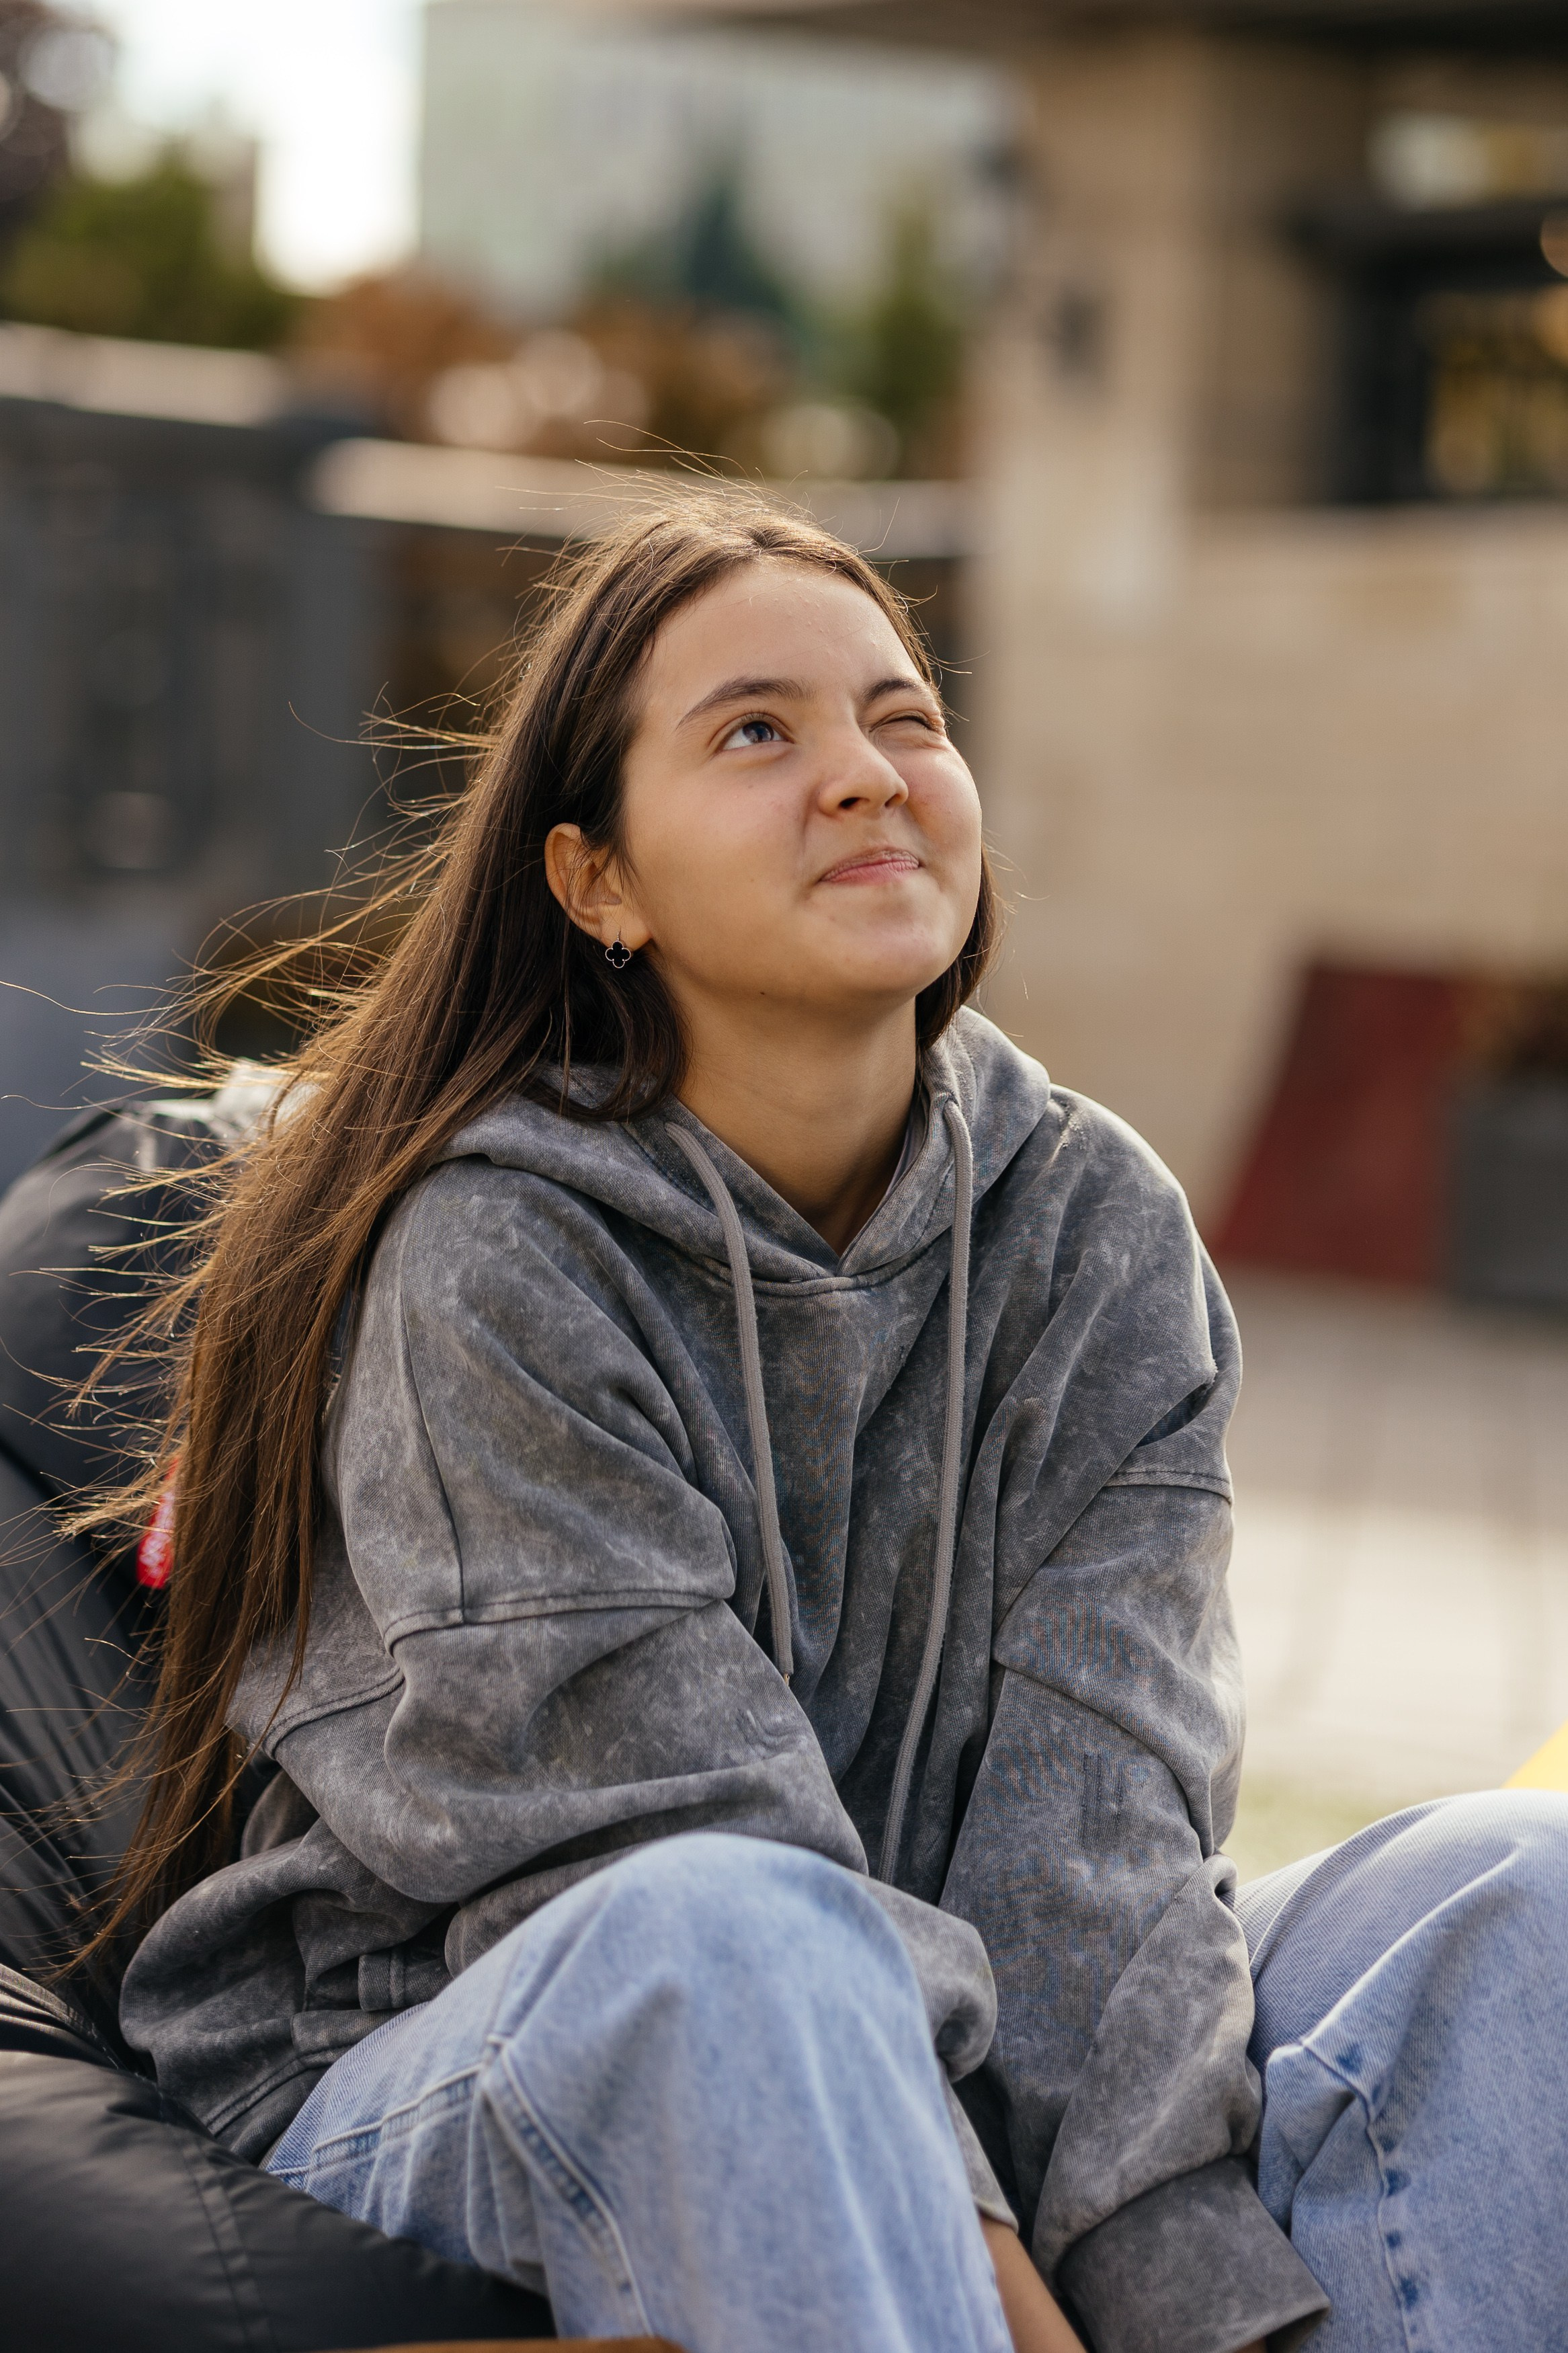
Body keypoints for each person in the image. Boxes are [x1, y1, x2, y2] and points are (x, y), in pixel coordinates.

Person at [46, 500, 1568, 2353]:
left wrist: (1186, 2297)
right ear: (600, 880)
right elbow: (666, 1848)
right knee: (750, 1932)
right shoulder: (490, 1251)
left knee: (1520, 1897)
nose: (864, 775)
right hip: (448, 2053)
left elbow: (1099, 1835)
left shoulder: (1093, 1225)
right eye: (756, 731)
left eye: (905, 719)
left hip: (927, 2021)